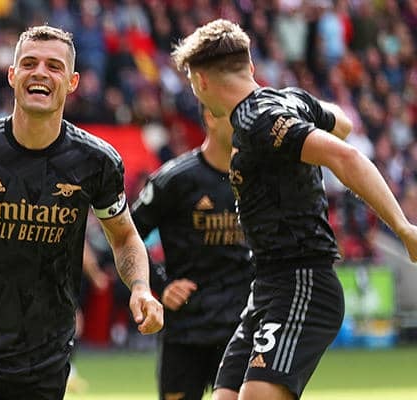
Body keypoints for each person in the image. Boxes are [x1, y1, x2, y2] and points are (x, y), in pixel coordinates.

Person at [0, 25, 164, 400]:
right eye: (29, 63)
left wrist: (141, 287)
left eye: (54, 66)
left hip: (43, 359)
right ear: (12, 75)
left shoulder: (96, 162)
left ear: (72, 81)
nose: (40, 73)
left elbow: (125, 236)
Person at [171, 19, 417, 400]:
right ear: (250, 67)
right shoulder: (287, 101)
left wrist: (403, 228)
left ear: (201, 82)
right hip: (266, 288)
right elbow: (343, 124)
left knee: (257, 396)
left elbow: (346, 155)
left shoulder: (260, 121)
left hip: (303, 281)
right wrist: (305, 111)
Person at [131, 107, 254, 400]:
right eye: (235, 114)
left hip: (241, 326)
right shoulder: (173, 179)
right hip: (186, 329)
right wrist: (161, 285)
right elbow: (126, 236)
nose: (245, 123)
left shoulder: (256, 179)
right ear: (210, 116)